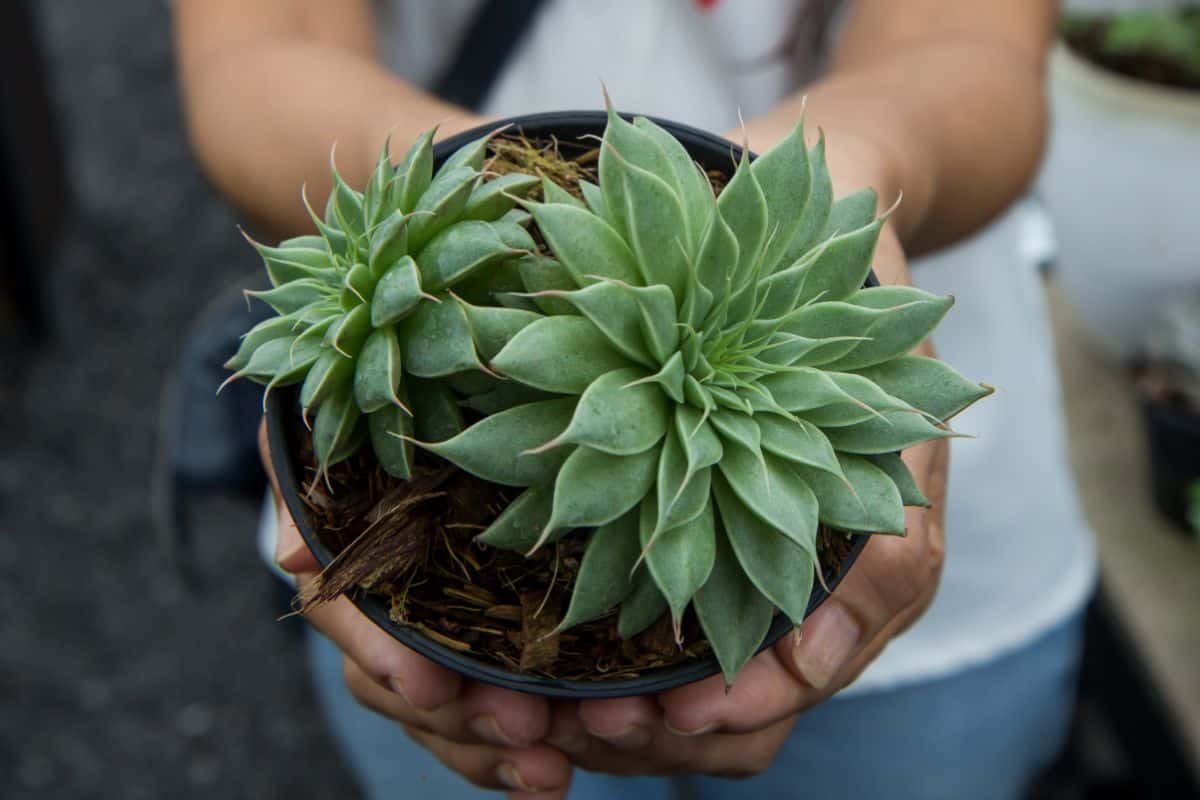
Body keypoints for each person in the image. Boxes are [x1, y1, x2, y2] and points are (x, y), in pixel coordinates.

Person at [174, 1, 1097, 798]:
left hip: (937, 589)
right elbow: (260, 47)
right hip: (448, 215)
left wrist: (857, 162)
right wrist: (467, 195)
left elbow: (977, 47)